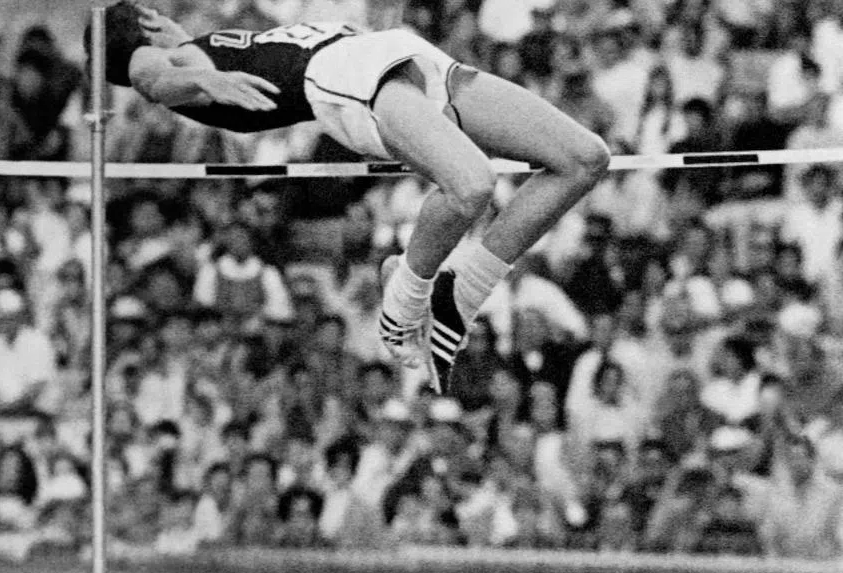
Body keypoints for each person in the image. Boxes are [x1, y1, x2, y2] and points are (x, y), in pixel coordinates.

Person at [88, 0, 610, 395]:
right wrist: (204, 79)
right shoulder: (161, 62)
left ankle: (458, 295)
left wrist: (195, 54)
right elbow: (153, 81)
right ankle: (401, 302)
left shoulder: (196, 44)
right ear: (134, 30)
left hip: (395, 53)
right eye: (145, 8)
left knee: (583, 159)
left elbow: (202, 55)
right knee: (471, 185)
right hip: (345, 78)